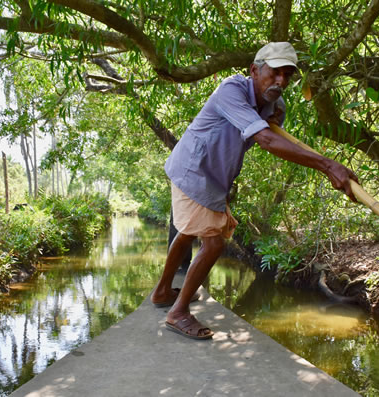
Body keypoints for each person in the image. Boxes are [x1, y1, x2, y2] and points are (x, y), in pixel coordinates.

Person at [150, 42, 358, 340]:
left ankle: (161, 293)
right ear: (254, 70)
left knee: (186, 232)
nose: (281, 82)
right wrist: (328, 166)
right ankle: (178, 312)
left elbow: (274, 141)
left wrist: (270, 122)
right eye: (275, 72)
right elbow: (267, 141)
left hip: (215, 177)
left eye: (288, 75)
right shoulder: (230, 90)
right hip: (193, 171)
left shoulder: (276, 107)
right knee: (213, 245)